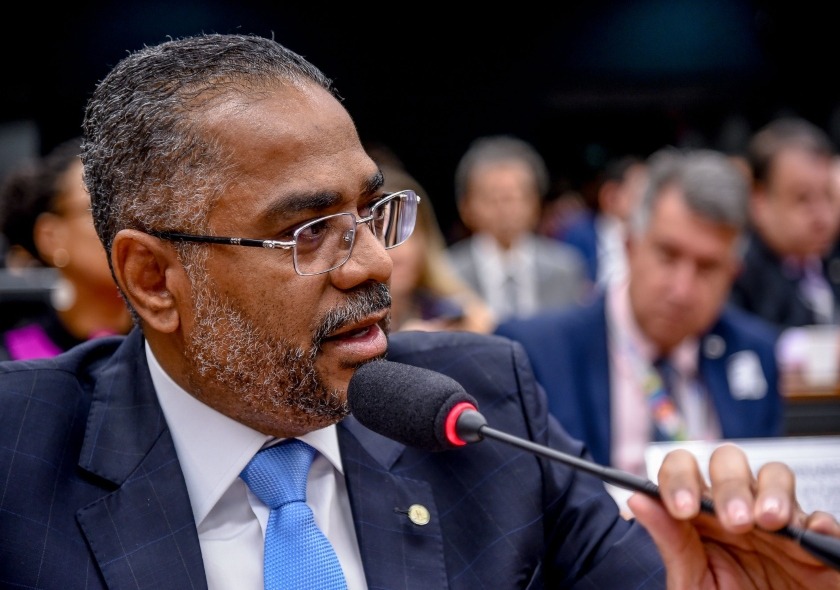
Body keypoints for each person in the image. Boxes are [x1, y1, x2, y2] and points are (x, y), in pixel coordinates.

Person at [0, 33, 838, 589]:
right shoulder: (18, 456)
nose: (374, 261)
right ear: (153, 278)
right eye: (308, 231)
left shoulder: (480, 409)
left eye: (373, 212)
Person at [495, 148, 785, 497]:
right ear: (630, 246)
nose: (682, 290)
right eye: (668, 255)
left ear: (733, 274)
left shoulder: (756, 352)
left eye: (707, 268)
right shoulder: (536, 353)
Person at [0, 137, 132, 359]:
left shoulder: (172, 347)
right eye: (99, 209)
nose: (122, 223)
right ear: (50, 237)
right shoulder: (14, 359)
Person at [446, 135, 591, 322]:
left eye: (515, 196)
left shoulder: (566, 266)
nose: (505, 209)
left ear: (536, 202)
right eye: (492, 197)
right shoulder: (447, 272)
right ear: (465, 207)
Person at [729, 116, 840, 328]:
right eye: (802, 198)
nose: (822, 215)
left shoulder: (832, 258)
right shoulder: (740, 277)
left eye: (827, 195)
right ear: (759, 201)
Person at [372, 152, 496, 333]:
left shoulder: (453, 312)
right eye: (382, 234)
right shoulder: (346, 324)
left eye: (407, 233)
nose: (399, 253)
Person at [556, 154, 648, 289]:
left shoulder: (647, 238)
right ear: (610, 195)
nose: (646, 202)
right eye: (639, 192)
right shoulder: (578, 234)